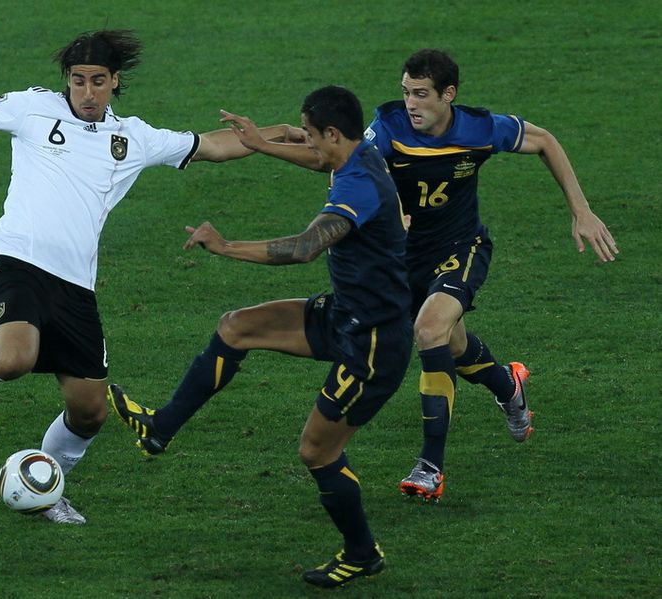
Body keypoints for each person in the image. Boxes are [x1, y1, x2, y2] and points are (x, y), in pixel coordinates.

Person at [0, 29, 296, 525]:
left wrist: (276, 134)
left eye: (97, 82)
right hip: (18, 260)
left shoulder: (132, 137)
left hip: (76, 285)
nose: (87, 93)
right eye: (77, 81)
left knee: (89, 413)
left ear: (115, 82)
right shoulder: (30, 108)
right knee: (13, 361)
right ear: (66, 82)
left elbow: (212, 147)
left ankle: (48, 489)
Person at [111, 85, 413, 588]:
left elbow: (302, 249)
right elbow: (322, 163)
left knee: (317, 452)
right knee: (237, 326)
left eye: (312, 136)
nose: (309, 144)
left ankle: (362, 553)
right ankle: (160, 428)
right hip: (346, 314)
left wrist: (225, 246)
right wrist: (260, 142)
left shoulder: (358, 185)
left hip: (373, 345)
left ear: (334, 133)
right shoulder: (359, 154)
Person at [362, 49, 618, 501]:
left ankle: (430, 468)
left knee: (429, 329)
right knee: (452, 343)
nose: (410, 104)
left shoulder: (480, 129)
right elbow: (362, 163)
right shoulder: (388, 126)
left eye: (421, 94)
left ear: (449, 95)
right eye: (406, 92)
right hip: (403, 257)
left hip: (461, 247)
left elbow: (545, 141)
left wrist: (581, 210)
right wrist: (392, 207)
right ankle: (507, 384)